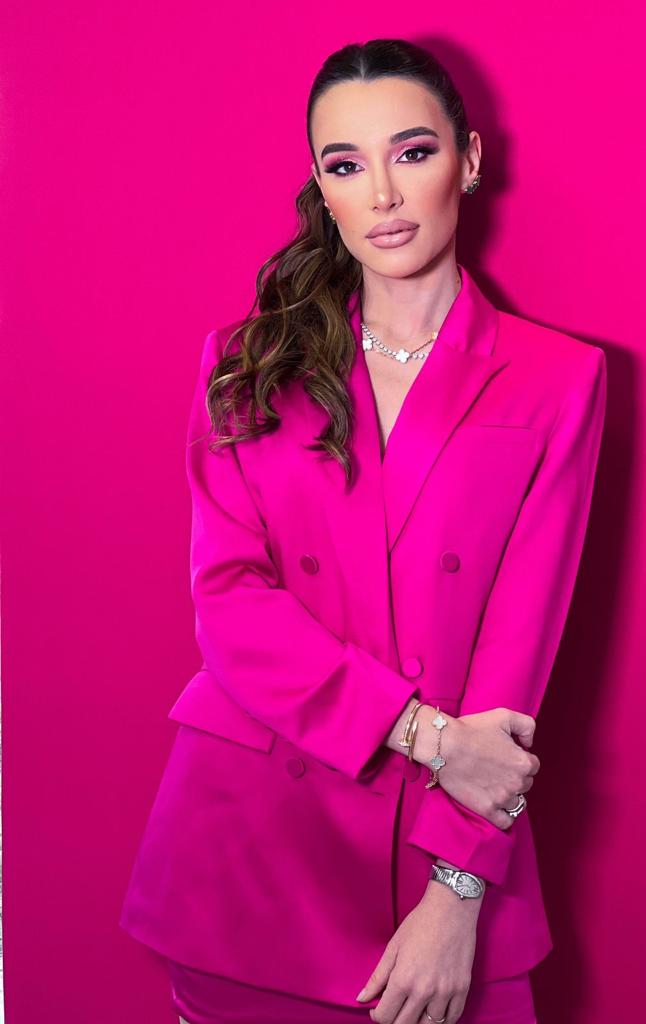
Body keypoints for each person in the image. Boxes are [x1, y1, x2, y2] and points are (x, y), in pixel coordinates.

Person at [119, 37, 607, 1024]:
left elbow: (514, 662)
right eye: (346, 165)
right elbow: (232, 609)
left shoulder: (559, 379)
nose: (382, 194)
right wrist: (425, 732)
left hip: (437, 855)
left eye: (412, 153)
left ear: (469, 159)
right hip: (248, 857)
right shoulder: (248, 364)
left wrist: (456, 893)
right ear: (322, 189)